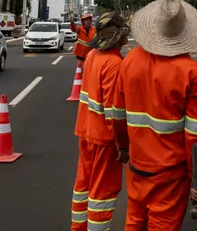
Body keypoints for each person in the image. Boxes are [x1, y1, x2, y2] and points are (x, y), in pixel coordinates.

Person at [111, 0, 197, 230]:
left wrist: (123, 147)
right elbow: (195, 135)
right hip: (170, 175)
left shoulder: (130, 60)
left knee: (134, 222)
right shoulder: (192, 73)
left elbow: (118, 115)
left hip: (136, 166)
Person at [71, 13, 131, 231]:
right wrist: (122, 145)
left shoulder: (93, 55)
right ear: (118, 36)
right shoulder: (114, 63)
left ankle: (78, 227)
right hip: (104, 140)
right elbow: (114, 113)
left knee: (83, 186)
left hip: (86, 131)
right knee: (102, 192)